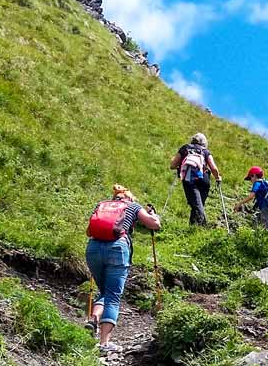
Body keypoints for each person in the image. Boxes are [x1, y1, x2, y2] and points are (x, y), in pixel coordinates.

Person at [84, 184, 160, 352]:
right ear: (129, 198)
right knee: (112, 296)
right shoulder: (132, 206)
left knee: (104, 291)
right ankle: (104, 343)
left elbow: (89, 231)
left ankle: (93, 319)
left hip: (93, 248)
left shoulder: (102, 205)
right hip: (117, 248)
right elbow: (153, 224)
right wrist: (154, 215)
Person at [169, 132, 221, 226]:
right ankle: (193, 228)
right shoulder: (205, 151)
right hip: (204, 178)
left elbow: (173, 165)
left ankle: (203, 226)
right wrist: (218, 178)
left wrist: (174, 161)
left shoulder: (185, 148)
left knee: (196, 205)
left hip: (190, 178)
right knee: (198, 204)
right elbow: (213, 168)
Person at [236, 166, 268, 230]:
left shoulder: (257, 183)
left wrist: (240, 203)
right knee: (259, 221)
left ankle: (265, 238)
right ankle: (259, 236)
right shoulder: (266, 183)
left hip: (265, 207)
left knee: (265, 225)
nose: (250, 180)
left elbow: (251, 196)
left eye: (250, 178)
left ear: (254, 176)